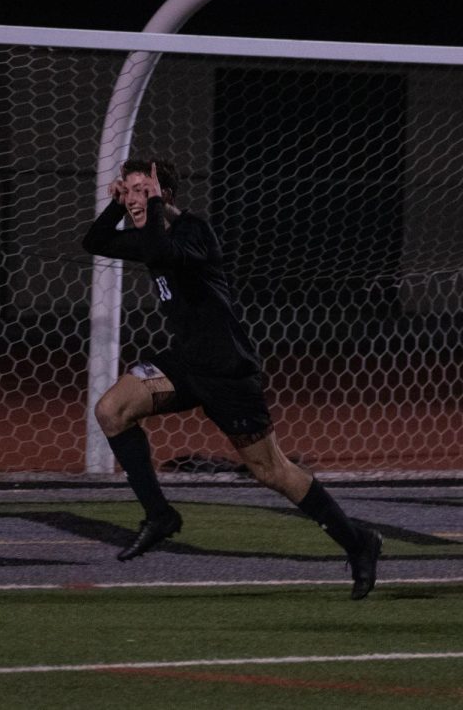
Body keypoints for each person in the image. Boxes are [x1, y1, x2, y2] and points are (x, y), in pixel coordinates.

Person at [83, 158, 383, 599]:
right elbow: (94, 240)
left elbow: (161, 252)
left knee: (272, 470)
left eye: (142, 189)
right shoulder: (150, 233)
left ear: (166, 194)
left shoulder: (193, 231)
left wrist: (147, 205)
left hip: (227, 370)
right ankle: (160, 515)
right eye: (127, 190)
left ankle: (359, 542)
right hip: (185, 365)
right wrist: (114, 206)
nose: (134, 198)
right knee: (111, 410)